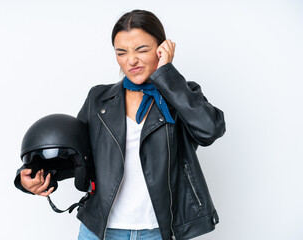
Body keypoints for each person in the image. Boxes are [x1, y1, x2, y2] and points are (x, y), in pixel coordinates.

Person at [15, 9, 225, 240]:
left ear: (162, 48)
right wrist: (33, 176)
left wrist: (167, 76)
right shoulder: (99, 99)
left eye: (141, 49)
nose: (131, 60)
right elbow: (77, 157)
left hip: (157, 231)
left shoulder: (180, 95)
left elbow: (210, 130)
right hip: (99, 231)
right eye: (121, 52)